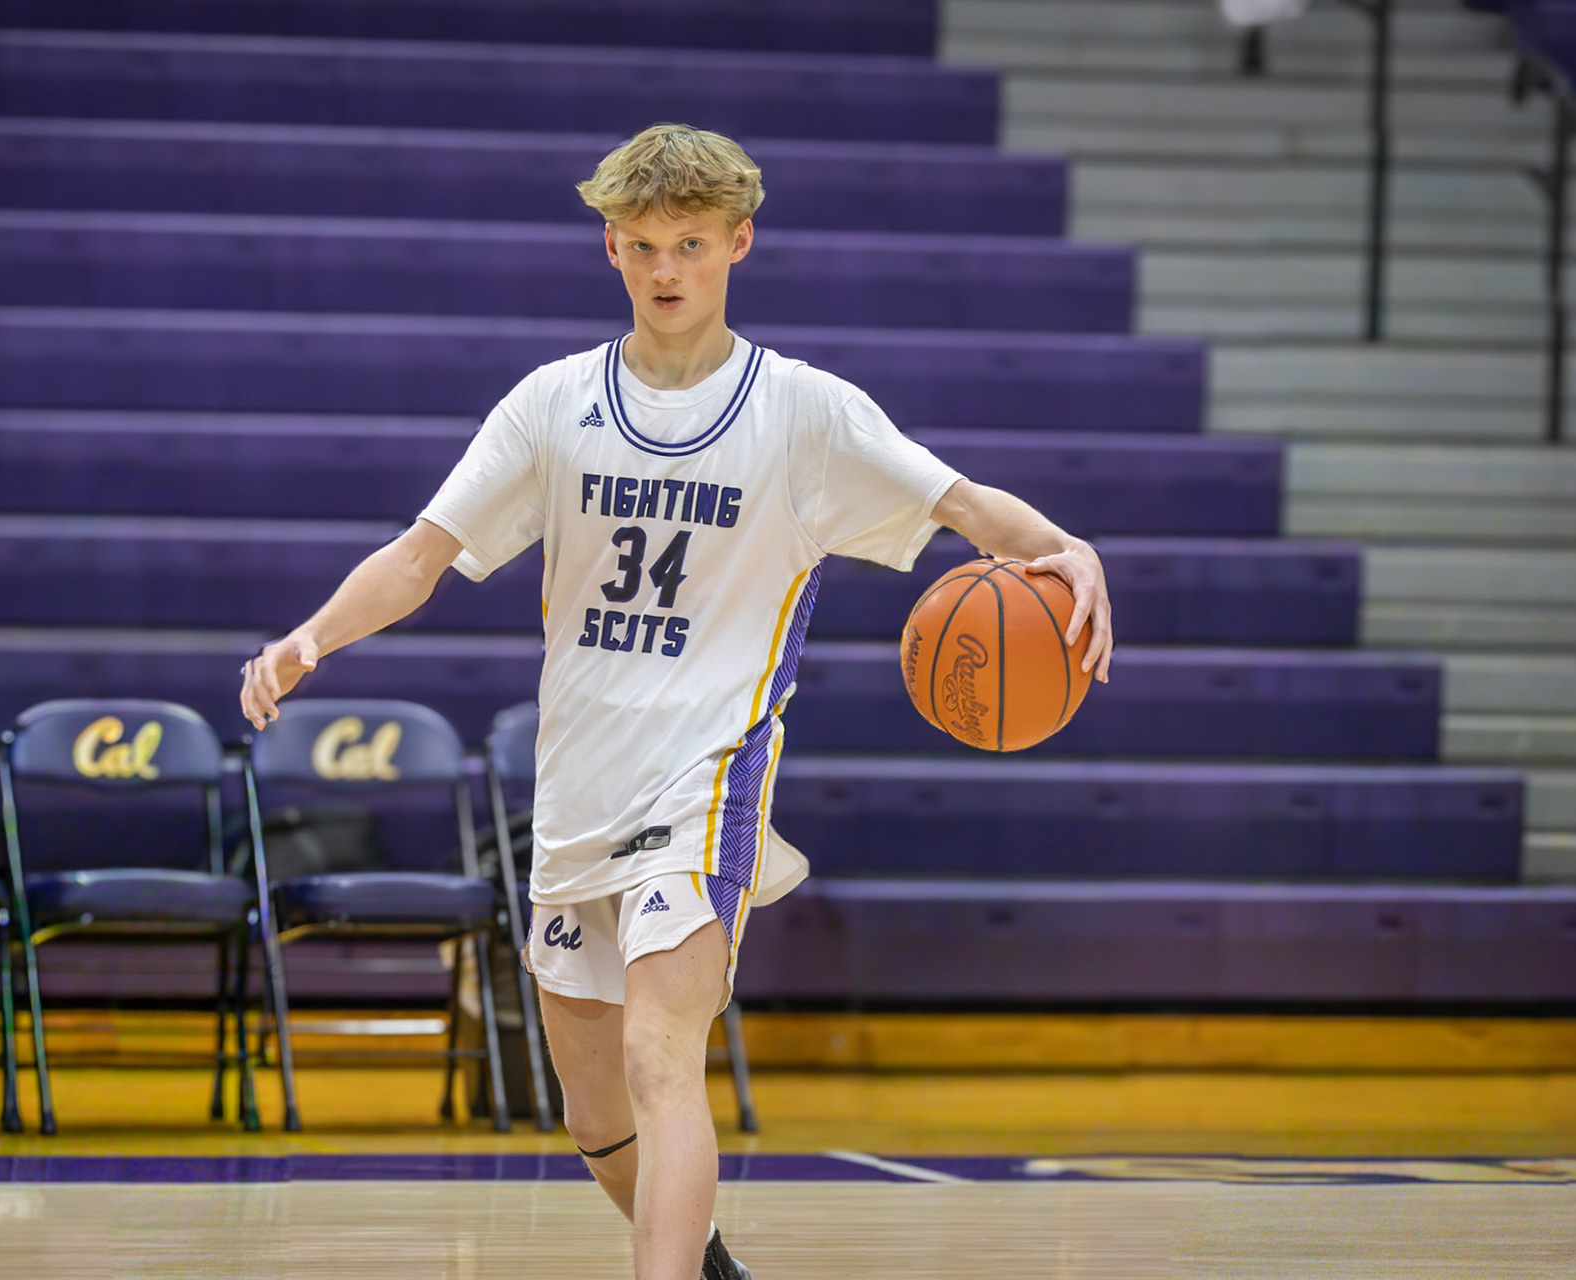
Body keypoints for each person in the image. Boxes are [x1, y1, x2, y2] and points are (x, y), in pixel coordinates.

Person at [240, 122, 1115, 1280]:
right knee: (598, 1119)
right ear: (610, 246)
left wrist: (1064, 546)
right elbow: (420, 554)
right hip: (576, 791)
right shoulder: (552, 404)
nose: (666, 270)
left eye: (691, 243)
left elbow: (955, 503)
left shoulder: (804, 412)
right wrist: (311, 636)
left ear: (737, 242)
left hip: (706, 784)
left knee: (664, 1053)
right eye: (644, 244)